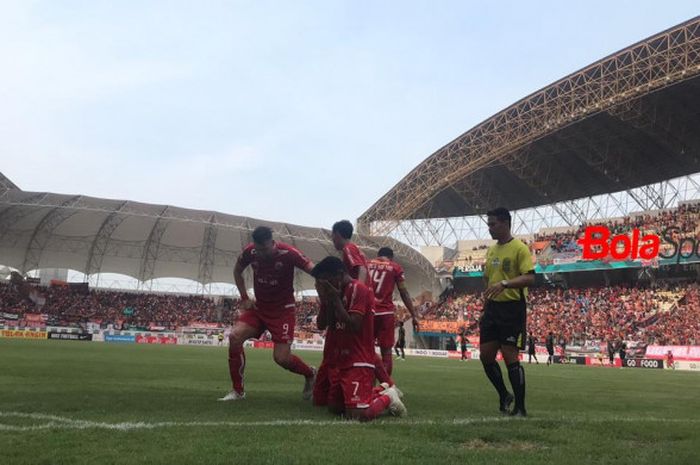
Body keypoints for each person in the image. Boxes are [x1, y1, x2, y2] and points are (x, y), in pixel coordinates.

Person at [219, 226, 316, 401]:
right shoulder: (251, 252)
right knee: (235, 336)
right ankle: (238, 391)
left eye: (264, 249)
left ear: (272, 243)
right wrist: (244, 297)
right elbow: (237, 271)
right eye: (258, 249)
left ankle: (310, 373)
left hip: (283, 311)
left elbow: (313, 270)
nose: (261, 254)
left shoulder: (289, 253)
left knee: (281, 359)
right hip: (259, 308)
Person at [312, 256, 406, 421]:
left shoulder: (358, 289)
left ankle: (388, 397)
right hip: (342, 360)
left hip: (359, 360)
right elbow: (325, 325)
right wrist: (326, 301)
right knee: (334, 408)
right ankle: (381, 389)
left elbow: (354, 325)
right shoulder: (333, 293)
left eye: (325, 281)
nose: (324, 285)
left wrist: (335, 300)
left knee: (357, 415)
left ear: (339, 275)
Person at [479, 207, 535, 417]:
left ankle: (520, 408)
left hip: (512, 309)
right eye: (489, 224)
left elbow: (529, 278)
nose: (490, 228)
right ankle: (504, 394)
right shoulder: (491, 250)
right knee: (486, 356)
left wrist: (505, 283)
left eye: (492, 224)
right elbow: (486, 279)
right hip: (492, 309)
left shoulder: (520, 248)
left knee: (510, 355)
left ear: (505, 223)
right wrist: (485, 307)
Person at [331, 220, 394, 387]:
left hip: (361, 302)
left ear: (338, 234)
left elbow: (362, 270)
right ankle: (386, 384)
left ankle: (388, 385)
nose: (332, 239)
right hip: (367, 300)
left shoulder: (348, 248)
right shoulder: (354, 248)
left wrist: (356, 292)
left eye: (333, 236)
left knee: (362, 346)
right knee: (365, 346)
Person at [367, 247, 420, 375]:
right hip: (385, 313)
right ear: (391, 258)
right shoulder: (395, 268)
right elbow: (403, 292)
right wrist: (414, 315)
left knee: (365, 349)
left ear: (378, 255)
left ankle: (366, 384)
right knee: (386, 352)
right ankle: (385, 386)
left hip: (368, 312)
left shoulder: (367, 264)